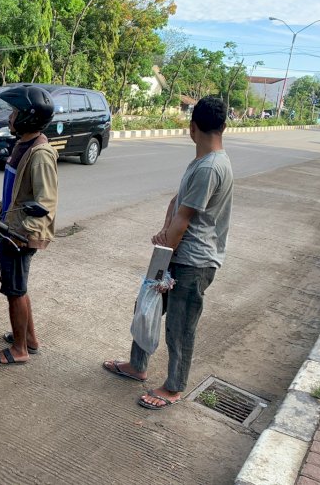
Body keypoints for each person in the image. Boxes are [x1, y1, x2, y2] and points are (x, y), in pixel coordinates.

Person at [103, 96, 233, 410]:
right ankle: (137, 365)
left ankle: (174, 387)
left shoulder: (210, 167)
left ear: (192, 128)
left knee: (179, 326)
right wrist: (165, 230)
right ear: (223, 126)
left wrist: (164, 249)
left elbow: (185, 219)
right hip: (176, 254)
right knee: (144, 308)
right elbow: (177, 203)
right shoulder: (203, 162)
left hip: (192, 261)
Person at [0, 85, 58, 366]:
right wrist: (0, 208)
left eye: (14, 112)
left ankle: (19, 349)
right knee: (18, 287)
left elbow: (45, 201)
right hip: (9, 226)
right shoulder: (22, 144)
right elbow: (16, 190)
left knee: (15, 291)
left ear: (27, 117)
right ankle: (31, 340)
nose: (10, 117)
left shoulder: (40, 154)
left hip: (19, 235)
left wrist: (23, 232)